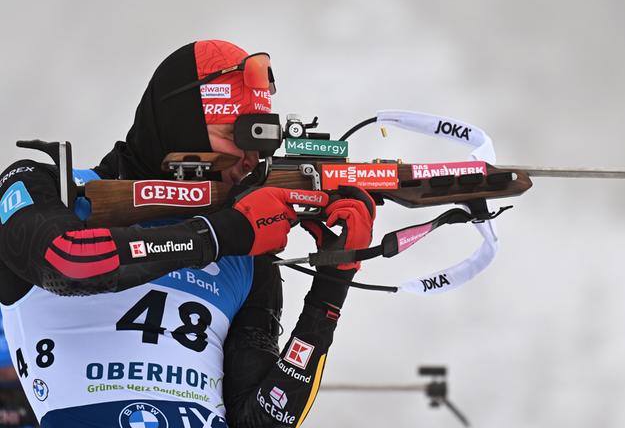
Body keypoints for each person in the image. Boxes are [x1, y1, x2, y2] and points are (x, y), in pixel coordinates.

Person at [0, 40, 375, 428]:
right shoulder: (53, 187)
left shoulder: (245, 253)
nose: (251, 158)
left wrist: (331, 288)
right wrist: (218, 234)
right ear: (182, 120)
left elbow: (264, 418)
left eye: (260, 142)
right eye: (236, 134)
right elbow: (70, 261)